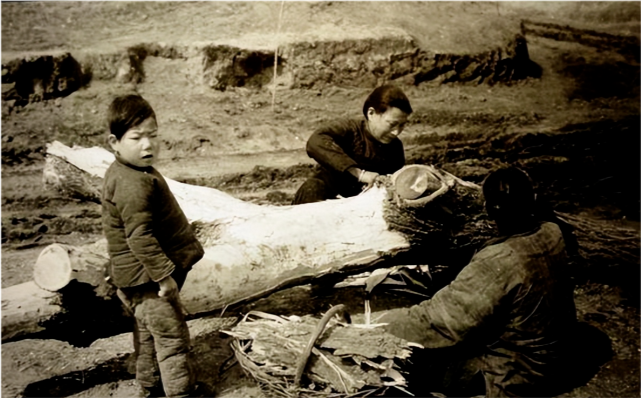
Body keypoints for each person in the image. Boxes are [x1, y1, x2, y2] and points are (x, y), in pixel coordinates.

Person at [379, 167, 578, 398]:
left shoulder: (499, 260)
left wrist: (380, 324)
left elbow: (440, 321)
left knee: (415, 361)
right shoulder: (552, 231)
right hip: (559, 355)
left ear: (487, 209)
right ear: (532, 199)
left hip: (520, 372)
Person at [101, 94, 208, 398]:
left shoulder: (132, 171)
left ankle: (150, 386)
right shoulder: (131, 182)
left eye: (153, 136)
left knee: (149, 333)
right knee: (173, 339)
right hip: (148, 280)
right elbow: (139, 236)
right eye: (136, 138)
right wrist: (164, 277)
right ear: (114, 142)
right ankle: (181, 393)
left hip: (137, 279)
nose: (148, 145)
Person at [292, 84, 412, 204]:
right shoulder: (349, 130)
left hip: (362, 206)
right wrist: (360, 174)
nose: (396, 132)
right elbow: (315, 142)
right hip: (326, 196)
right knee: (313, 187)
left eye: (402, 125)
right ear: (371, 113)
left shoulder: (395, 148)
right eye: (391, 124)